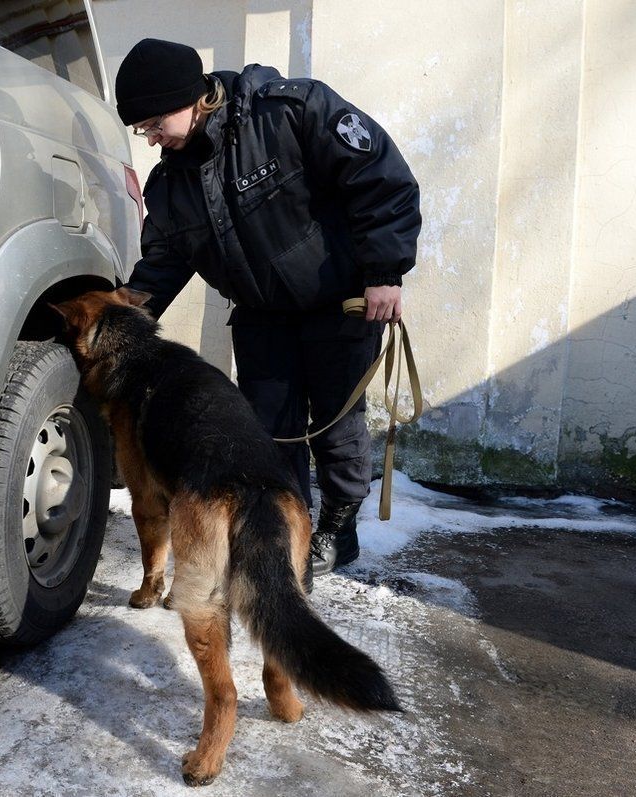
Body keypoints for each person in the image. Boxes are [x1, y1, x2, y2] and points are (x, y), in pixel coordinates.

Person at [115, 38, 422, 579]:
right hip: (261, 316)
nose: (151, 136)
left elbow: (379, 179)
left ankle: (339, 527)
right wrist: (119, 321)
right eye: (142, 129)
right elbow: (162, 260)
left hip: (339, 304)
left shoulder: (290, 113)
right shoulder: (170, 184)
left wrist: (383, 272)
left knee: (335, 426)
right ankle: (287, 534)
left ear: (193, 98)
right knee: (269, 432)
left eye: (155, 120)